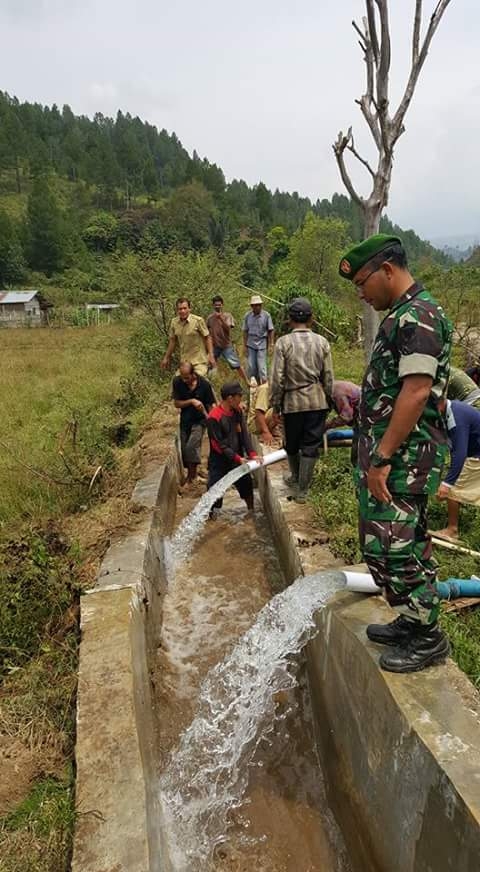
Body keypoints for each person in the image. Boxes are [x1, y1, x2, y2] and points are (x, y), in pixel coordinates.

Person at [338, 233, 452, 673]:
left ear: (387, 270)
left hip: (404, 460)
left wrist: (382, 458)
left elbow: (417, 390)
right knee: (388, 545)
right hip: (391, 459)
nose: (362, 295)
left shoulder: (417, 316)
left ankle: (428, 636)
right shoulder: (402, 315)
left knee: (397, 548)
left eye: (363, 283)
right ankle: (411, 618)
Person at [269, 296, 334, 503]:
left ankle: (296, 478)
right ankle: (304, 489)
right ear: (311, 318)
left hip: (292, 402)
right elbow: (329, 376)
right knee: (311, 444)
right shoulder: (322, 342)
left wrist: (276, 404)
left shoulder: (283, 343)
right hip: (316, 400)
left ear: (290, 319)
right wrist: (329, 397)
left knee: (292, 443)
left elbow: (277, 378)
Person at [206, 381, 260, 518]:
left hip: (237, 458)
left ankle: (251, 513)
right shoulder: (214, 417)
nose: (241, 400)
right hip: (220, 461)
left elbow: (244, 435)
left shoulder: (237, 412)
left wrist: (252, 454)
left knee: (246, 486)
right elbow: (219, 445)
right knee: (215, 494)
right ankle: (212, 520)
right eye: (239, 396)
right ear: (230, 398)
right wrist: (238, 458)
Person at [435, 399, 480, 540]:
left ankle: (452, 530)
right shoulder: (452, 410)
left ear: (439, 404)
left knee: (453, 489)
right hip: (474, 452)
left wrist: (447, 483)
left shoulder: (456, 417)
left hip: (476, 455)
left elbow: (459, 452)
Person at [172, 361, 216, 485]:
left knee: (192, 446)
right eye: (182, 377)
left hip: (200, 421)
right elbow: (176, 403)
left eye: (187, 377)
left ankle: (192, 478)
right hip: (185, 420)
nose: (184, 380)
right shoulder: (177, 382)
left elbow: (210, 405)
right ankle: (193, 474)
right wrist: (191, 401)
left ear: (193, 374)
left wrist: (211, 421)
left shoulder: (204, 385)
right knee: (185, 450)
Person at [161, 298, 215, 377]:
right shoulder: (174, 322)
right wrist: (166, 358)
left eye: (185, 308)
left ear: (189, 309)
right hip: (185, 363)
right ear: (177, 310)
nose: (182, 311)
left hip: (199, 362)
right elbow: (172, 341)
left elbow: (207, 337)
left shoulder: (198, 321)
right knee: (176, 383)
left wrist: (211, 355)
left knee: (199, 382)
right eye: (180, 309)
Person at [206, 295, 248, 382]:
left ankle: (247, 382)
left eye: (219, 304)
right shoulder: (210, 318)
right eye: (216, 305)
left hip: (226, 345)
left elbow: (228, 329)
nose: (217, 306)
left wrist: (220, 318)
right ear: (213, 305)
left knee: (236, 364)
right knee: (208, 364)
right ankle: (209, 384)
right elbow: (207, 333)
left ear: (222, 305)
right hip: (215, 346)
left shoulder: (228, 316)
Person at [327, 380, 361, 466]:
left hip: (366, 421)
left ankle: (359, 472)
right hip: (365, 418)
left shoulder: (338, 394)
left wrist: (327, 425)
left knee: (358, 455)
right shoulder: (334, 387)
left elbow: (346, 417)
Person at [242, 295, 274, 384]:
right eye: (255, 305)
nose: (257, 307)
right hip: (251, 343)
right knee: (252, 367)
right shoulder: (247, 316)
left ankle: (264, 386)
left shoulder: (266, 315)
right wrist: (244, 346)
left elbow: (271, 330)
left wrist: (271, 343)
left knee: (262, 367)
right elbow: (245, 331)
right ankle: (256, 386)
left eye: (259, 305)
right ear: (252, 306)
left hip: (262, 343)